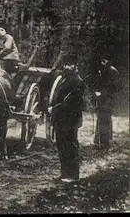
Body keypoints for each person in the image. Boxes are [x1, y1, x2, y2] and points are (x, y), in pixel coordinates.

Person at [48, 53, 86, 183]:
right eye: (65, 64)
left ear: (75, 66)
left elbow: (69, 102)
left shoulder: (78, 82)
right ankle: (64, 173)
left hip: (71, 120)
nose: (66, 67)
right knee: (61, 147)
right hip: (61, 119)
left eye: (69, 64)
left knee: (70, 147)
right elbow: (57, 96)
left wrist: (54, 109)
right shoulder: (64, 79)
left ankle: (73, 175)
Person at [94, 58, 120, 149]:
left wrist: (102, 94)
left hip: (108, 101)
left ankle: (106, 143)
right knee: (101, 119)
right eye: (101, 60)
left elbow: (114, 88)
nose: (102, 62)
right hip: (102, 100)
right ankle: (99, 141)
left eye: (104, 60)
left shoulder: (113, 71)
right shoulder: (103, 70)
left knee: (106, 120)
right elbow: (101, 84)